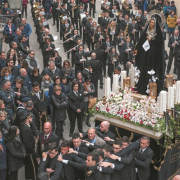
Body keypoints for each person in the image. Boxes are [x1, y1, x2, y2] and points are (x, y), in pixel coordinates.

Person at [134, 18, 165, 95]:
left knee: (151, 69)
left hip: (153, 55)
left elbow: (159, 44)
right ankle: (143, 85)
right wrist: (137, 49)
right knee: (144, 67)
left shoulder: (157, 33)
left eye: (153, 22)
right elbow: (141, 41)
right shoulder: (146, 31)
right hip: (146, 53)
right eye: (150, 22)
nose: (151, 23)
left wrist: (151, 40)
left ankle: (152, 86)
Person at [20, 111, 38, 180]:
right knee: (33, 167)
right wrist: (33, 151)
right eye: (30, 117)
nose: (32, 119)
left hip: (28, 151)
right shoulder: (26, 129)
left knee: (27, 166)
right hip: (29, 152)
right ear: (27, 119)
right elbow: (27, 143)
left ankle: (28, 177)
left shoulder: (23, 125)